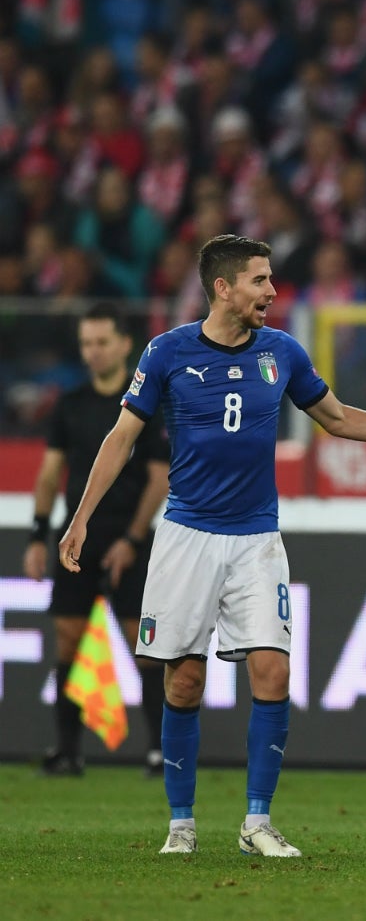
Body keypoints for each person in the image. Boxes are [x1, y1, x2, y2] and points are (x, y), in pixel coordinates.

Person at [58, 234, 366, 857]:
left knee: (273, 671)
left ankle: (257, 822)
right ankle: (182, 824)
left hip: (256, 538)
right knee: (184, 681)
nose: (272, 291)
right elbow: (121, 438)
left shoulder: (283, 352)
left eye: (271, 280)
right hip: (187, 535)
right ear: (223, 287)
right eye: (260, 281)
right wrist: (80, 516)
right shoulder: (167, 353)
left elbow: (339, 417)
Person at [24, 302, 170, 777]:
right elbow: (49, 476)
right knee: (67, 637)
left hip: (130, 538)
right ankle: (68, 749)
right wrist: (38, 534)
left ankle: (159, 751)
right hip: (78, 537)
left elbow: (158, 478)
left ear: (125, 345)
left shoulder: (148, 404)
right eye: (86, 343)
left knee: (142, 643)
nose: (93, 352)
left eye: (102, 341)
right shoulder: (70, 405)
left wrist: (132, 538)